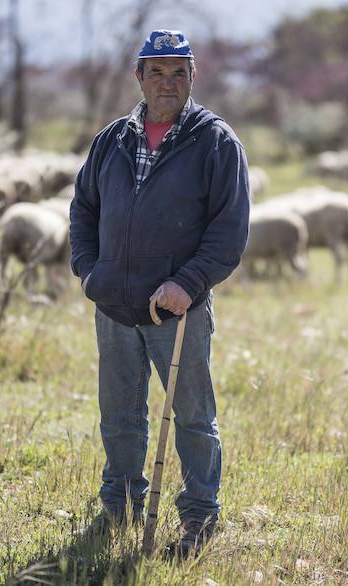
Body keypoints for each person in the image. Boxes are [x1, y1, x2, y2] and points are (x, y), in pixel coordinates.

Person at [69, 29, 250, 558]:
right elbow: (83, 209)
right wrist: (89, 271)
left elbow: (229, 230)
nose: (166, 82)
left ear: (193, 76)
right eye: (156, 72)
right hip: (114, 306)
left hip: (177, 310)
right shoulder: (112, 140)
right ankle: (119, 507)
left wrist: (188, 283)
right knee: (120, 413)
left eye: (177, 72)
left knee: (192, 415)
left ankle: (198, 516)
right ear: (139, 77)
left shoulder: (216, 143)